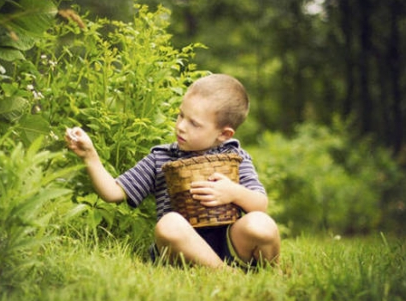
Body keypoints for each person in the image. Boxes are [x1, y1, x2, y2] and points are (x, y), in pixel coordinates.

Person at [65, 73, 280, 270]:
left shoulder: (234, 157)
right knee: (168, 224)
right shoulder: (162, 158)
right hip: (181, 251)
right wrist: (89, 156)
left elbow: (260, 204)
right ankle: (226, 275)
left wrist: (233, 192)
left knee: (262, 224)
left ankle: (271, 272)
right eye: (180, 115)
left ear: (224, 134)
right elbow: (113, 192)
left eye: (194, 123)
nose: (181, 126)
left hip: (230, 244)